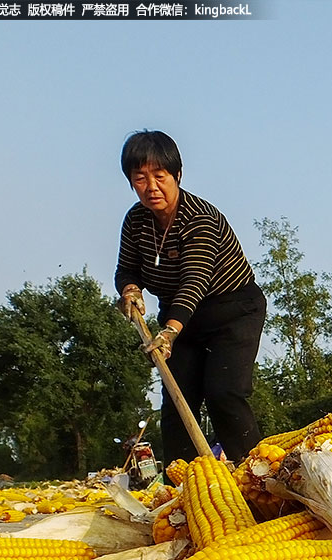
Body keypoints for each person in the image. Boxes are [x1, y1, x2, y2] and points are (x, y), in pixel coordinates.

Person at [114, 130, 266, 463]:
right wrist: (130, 289)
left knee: (224, 393)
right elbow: (126, 269)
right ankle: (181, 485)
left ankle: (258, 476)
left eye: (160, 176)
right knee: (177, 401)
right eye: (140, 178)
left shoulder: (200, 219)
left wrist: (168, 333)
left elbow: (193, 283)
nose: (151, 187)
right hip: (182, 319)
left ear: (177, 176)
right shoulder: (136, 221)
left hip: (232, 311)